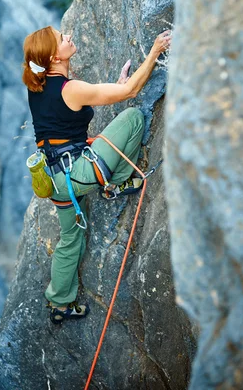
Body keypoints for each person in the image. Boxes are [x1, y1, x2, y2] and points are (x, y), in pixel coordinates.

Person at [22, 26, 171, 324]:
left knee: (70, 238)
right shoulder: (70, 88)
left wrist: (113, 87)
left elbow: (67, 114)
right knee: (132, 118)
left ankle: (60, 303)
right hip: (76, 173)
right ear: (53, 57)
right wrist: (155, 51)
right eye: (61, 37)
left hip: (55, 180)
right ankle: (117, 183)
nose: (68, 36)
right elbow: (131, 94)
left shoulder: (38, 87)